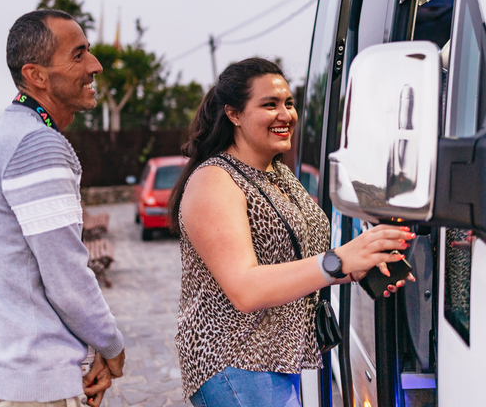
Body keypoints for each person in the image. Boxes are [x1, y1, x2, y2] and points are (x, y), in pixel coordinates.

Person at [170, 58, 415, 406]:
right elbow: (245, 289)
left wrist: (354, 267)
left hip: (277, 361)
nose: (285, 114)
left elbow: (299, 261)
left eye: (288, 103)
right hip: (235, 364)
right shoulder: (214, 180)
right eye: (269, 104)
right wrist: (338, 261)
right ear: (234, 114)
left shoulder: (277, 173)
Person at [0, 9, 125, 407]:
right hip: (29, 389)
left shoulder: (1, 137)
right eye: (78, 54)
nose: (95, 66)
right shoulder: (36, 143)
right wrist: (112, 346)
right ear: (36, 75)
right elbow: (65, 274)